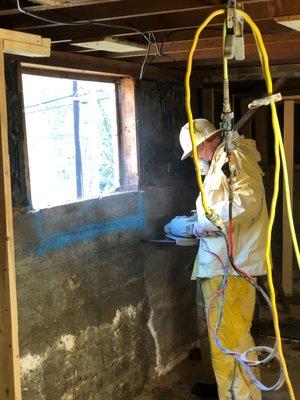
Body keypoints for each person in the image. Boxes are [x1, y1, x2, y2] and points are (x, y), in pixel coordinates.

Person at [179, 118, 268, 399]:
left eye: (195, 152)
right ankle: (233, 391)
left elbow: (247, 201)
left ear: (207, 142)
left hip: (230, 266)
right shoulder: (222, 161)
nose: (195, 159)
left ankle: (240, 395)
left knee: (229, 341)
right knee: (231, 338)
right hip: (225, 264)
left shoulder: (233, 157)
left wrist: (204, 222)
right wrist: (201, 220)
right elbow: (228, 203)